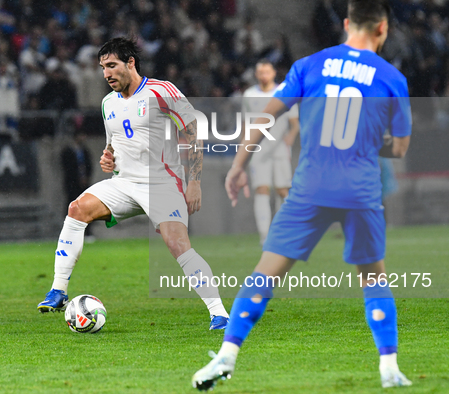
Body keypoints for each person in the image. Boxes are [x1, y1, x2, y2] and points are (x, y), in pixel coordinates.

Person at [193, 0, 412, 389]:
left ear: (347, 24)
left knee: (265, 273)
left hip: (311, 186)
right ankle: (389, 367)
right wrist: (369, 144)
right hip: (360, 190)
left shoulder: (310, 66)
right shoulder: (391, 78)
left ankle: (226, 357)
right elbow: (398, 150)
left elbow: (266, 116)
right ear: (383, 29)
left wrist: (239, 165)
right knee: (373, 279)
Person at [37, 37, 230, 330]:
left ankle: (219, 313)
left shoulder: (161, 91)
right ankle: (59, 290)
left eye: (112, 66)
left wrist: (194, 182)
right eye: (103, 68)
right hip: (124, 183)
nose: (107, 74)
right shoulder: (108, 103)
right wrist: (108, 157)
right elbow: (113, 144)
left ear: (131, 63)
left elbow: (193, 133)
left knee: (177, 244)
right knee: (77, 209)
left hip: (162, 184)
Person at [242, 59, 299, 245]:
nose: (264, 75)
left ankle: (285, 231)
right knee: (262, 189)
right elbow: (245, 124)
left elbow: (294, 123)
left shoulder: (284, 92)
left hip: (280, 149)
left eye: (267, 72)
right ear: (256, 75)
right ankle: (265, 237)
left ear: (274, 73)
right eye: (261, 72)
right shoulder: (249, 94)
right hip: (257, 149)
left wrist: (290, 137)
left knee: (283, 190)